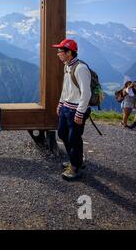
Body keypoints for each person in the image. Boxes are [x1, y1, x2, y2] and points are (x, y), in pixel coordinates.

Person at [52, 39, 91, 181]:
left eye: (60, 51)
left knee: (73, 139)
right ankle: (76, 160)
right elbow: (66, 88)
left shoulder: (81, 68)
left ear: (69, 52)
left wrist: (80, 112)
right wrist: (60, 104)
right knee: (62, 133)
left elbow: (86, 93)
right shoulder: (67, 66)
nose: (58, 54)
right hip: (66, 108)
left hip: (76, 110)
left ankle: (75, 168)